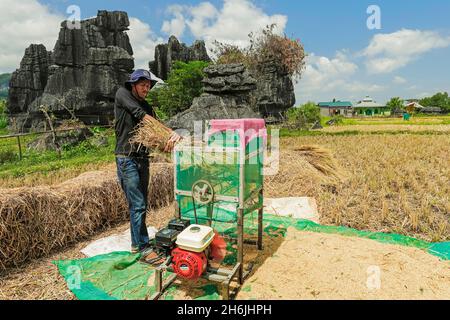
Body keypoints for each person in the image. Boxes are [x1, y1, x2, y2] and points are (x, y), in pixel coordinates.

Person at [114, 69, 180, 254]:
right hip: (127, 158)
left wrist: (166, 143)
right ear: (133, 85)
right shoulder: (123, 94)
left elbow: (154, 135)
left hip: (143, 159)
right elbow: (142, 117)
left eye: (148, 85)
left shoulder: (148, 107)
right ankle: (141, 246)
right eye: (143, 85)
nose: (146, 88)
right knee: (138, 204)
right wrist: (169, 132)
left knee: (141, 202)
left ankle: (139, 240)